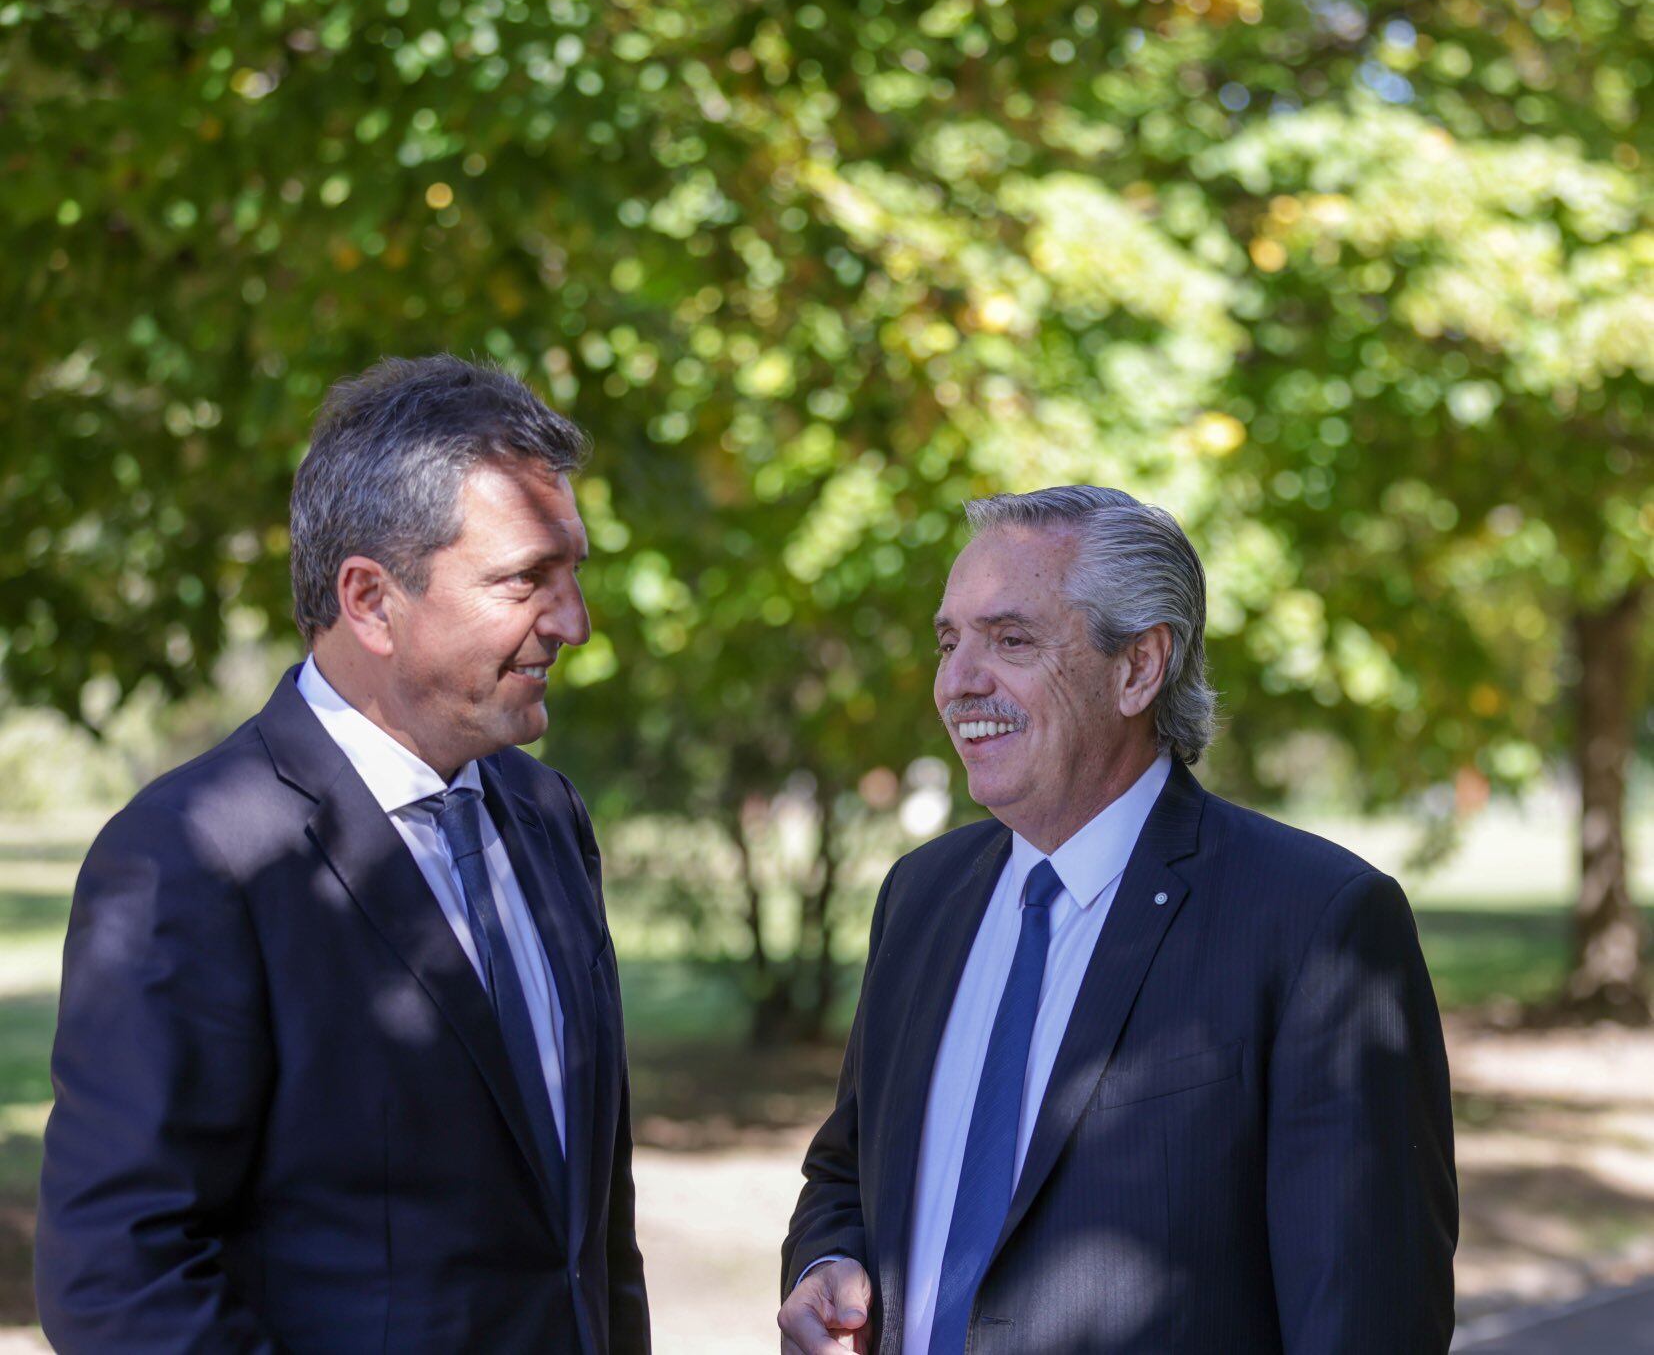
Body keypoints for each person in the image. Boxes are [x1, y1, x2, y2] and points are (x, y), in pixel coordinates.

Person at [36, 355, 649, 1353]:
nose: (573, 621)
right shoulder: (192, 858)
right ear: (368, 598)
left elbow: (588, 1239)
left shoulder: (546, 816)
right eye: (527, 579)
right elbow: (118, 1281)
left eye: (573, 570)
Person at [779, 485, 1456, 1354]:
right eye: (949, 642)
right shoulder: (920, 897)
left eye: (1011, 640)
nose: (958, 682)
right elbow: (846, 1169)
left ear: (1139, 667)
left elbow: (1366, 1316)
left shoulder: (1317, 924)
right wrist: (827, 1263)